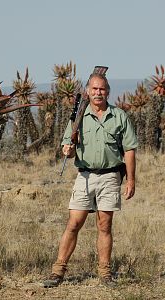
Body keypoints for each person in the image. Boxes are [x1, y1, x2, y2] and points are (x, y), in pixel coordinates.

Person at [43, 67, 138, 288]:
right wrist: (68, 150)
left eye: (102, 89)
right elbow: (69, 146)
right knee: (74, 223)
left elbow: (130, 150)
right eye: (94, 88)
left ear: (108, 92)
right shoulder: (78, 117)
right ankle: (58, 271)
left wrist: (131, 180)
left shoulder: (119, 116)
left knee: (104, 225)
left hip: (110, 177)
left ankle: (105, 273)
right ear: (88, 91)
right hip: (84, 176)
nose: (98, 92)